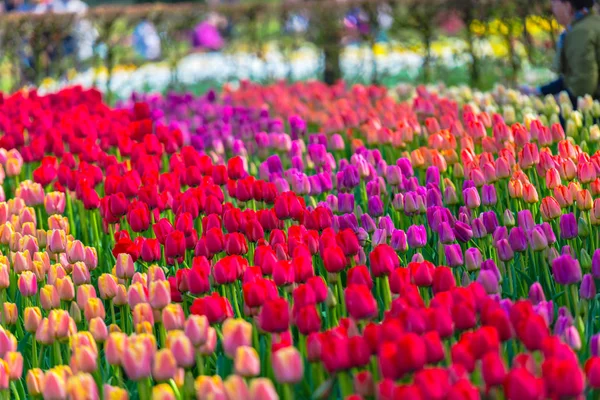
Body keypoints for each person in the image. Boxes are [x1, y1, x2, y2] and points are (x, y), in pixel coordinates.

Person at [520, 0, 600, 105]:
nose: (552, 9)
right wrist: (538, 91)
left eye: (554, 3)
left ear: (567, 5)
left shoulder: (581, 32)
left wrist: (554, 103)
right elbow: (571, 77)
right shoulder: (590, 23)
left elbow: (583, 85)